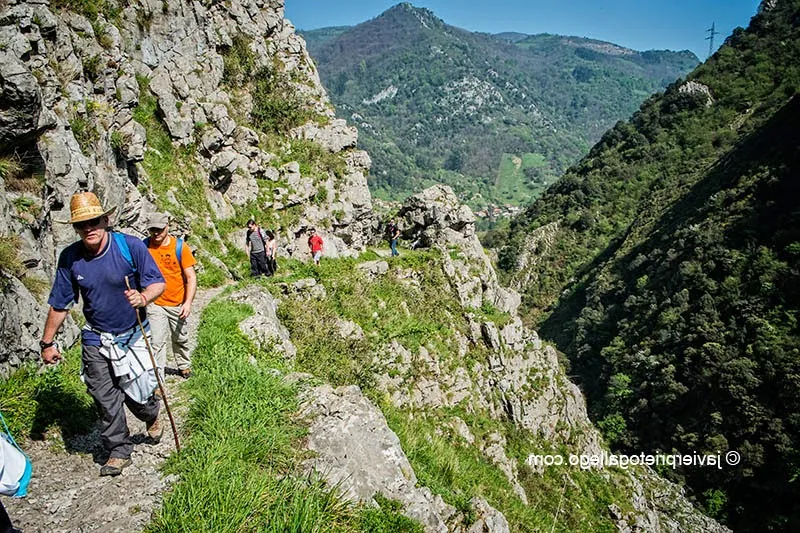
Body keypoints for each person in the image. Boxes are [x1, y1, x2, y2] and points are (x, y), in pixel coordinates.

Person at [40, 192, 166, 477]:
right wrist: (47, 342)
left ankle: (151, 413)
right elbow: (60, 303)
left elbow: (157, 282)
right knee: (103, 395)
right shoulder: (70, 258)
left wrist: (144, 298)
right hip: (96, 336)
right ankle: (119, 449)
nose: (88, 228)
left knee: (139, 393)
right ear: (75, 228)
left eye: (94, 221)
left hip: (133, 333)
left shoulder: (129, 246)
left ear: (106, 220)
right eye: (81, 224)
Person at [144, 212, 197, 380]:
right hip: (155, 303)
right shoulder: (144, 247)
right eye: (152, 229)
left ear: (167, 227)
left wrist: (187, 302)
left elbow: (191, 277)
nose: (156, 233)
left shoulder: (179, 247)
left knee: (181, 337)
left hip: (177, 303)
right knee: (156, 342)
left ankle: (184, 365)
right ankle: (158, 379)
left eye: (159, 229)